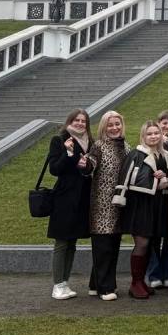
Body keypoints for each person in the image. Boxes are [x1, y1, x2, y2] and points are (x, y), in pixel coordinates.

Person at [118, 121, 168, 300]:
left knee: (151, 244)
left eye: (156, 133)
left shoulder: (165, 155)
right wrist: (120, 198)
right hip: (139, 204)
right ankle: (135, 283)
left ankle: (141, 282)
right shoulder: (135, 154)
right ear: (143, 136)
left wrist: (164, 178)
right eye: (149, 133)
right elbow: (125, 177)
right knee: (142, 243)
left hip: (158, 204)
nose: (153, 136)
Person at [46, 108, 92, 300]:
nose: (80, 123)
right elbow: (54, 169)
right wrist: (68, 153)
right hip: (64, 198)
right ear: (69, 122)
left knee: (72, 242)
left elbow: (89, 169)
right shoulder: (60, 140)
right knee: (62, 241)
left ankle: (65, 282)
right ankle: (58, 284)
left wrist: (86, 166)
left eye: (83, 121)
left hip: (82, 198)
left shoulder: (90, 142)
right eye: (76, 120)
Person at [84, 110, 129, 301]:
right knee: (103, 248)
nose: (114, 128)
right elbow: (90, 164)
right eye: (110, 125)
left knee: (113, 246)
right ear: (104, 127)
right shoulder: (99, 146)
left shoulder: (126, 146)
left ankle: (95, 284)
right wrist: (84, 164)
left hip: (119, 205)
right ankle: (105, 287)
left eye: (117, 124)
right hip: (101, 206)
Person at [146, 109, 168, 289]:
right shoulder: (149, 143)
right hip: (153, 198)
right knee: (154, 237)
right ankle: (154, 273)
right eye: (164, 123)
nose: (167, 126)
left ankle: (167, 273)